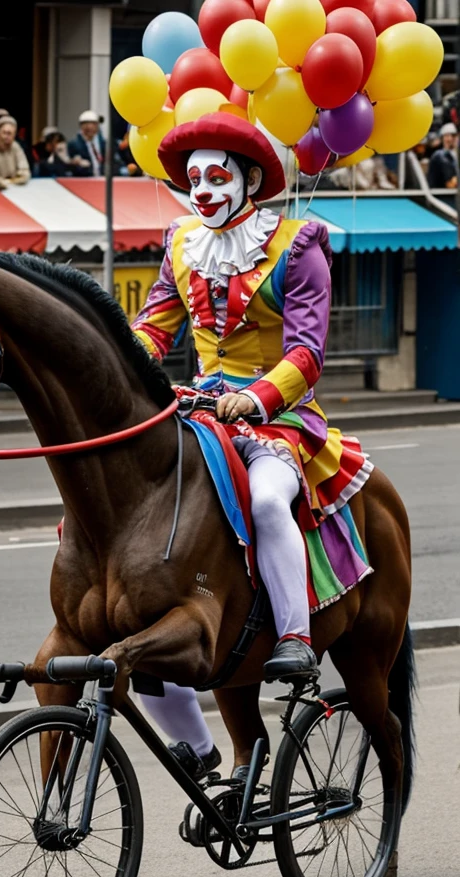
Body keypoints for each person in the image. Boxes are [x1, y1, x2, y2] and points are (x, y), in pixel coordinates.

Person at [129, 114, 374, 774]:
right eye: (193, 178)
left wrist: (259, 396)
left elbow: (307, 352)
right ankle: (197, 745)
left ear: (250, 179)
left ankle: (293, 636)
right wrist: (123, 369)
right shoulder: (181, 243)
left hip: (276, 418)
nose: (202, 189)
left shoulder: (297, 244)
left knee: (268, 500)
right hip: (199, 412)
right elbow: (154, 330)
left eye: (217, 175)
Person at [67, 110, 106, 176]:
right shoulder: (74, 144)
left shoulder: (102, 142)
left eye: (95, 124)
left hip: (101, 179)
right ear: (83, 126)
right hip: (85, 179)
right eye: (93, 124)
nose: (93, 127)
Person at [427, 123, 458, 190]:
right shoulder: (439, 156)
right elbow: (450, 184)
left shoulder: (455, 155)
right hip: (441, 196)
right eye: (446, 136)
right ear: (442, 138)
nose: (450, 139)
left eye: (453, 136)